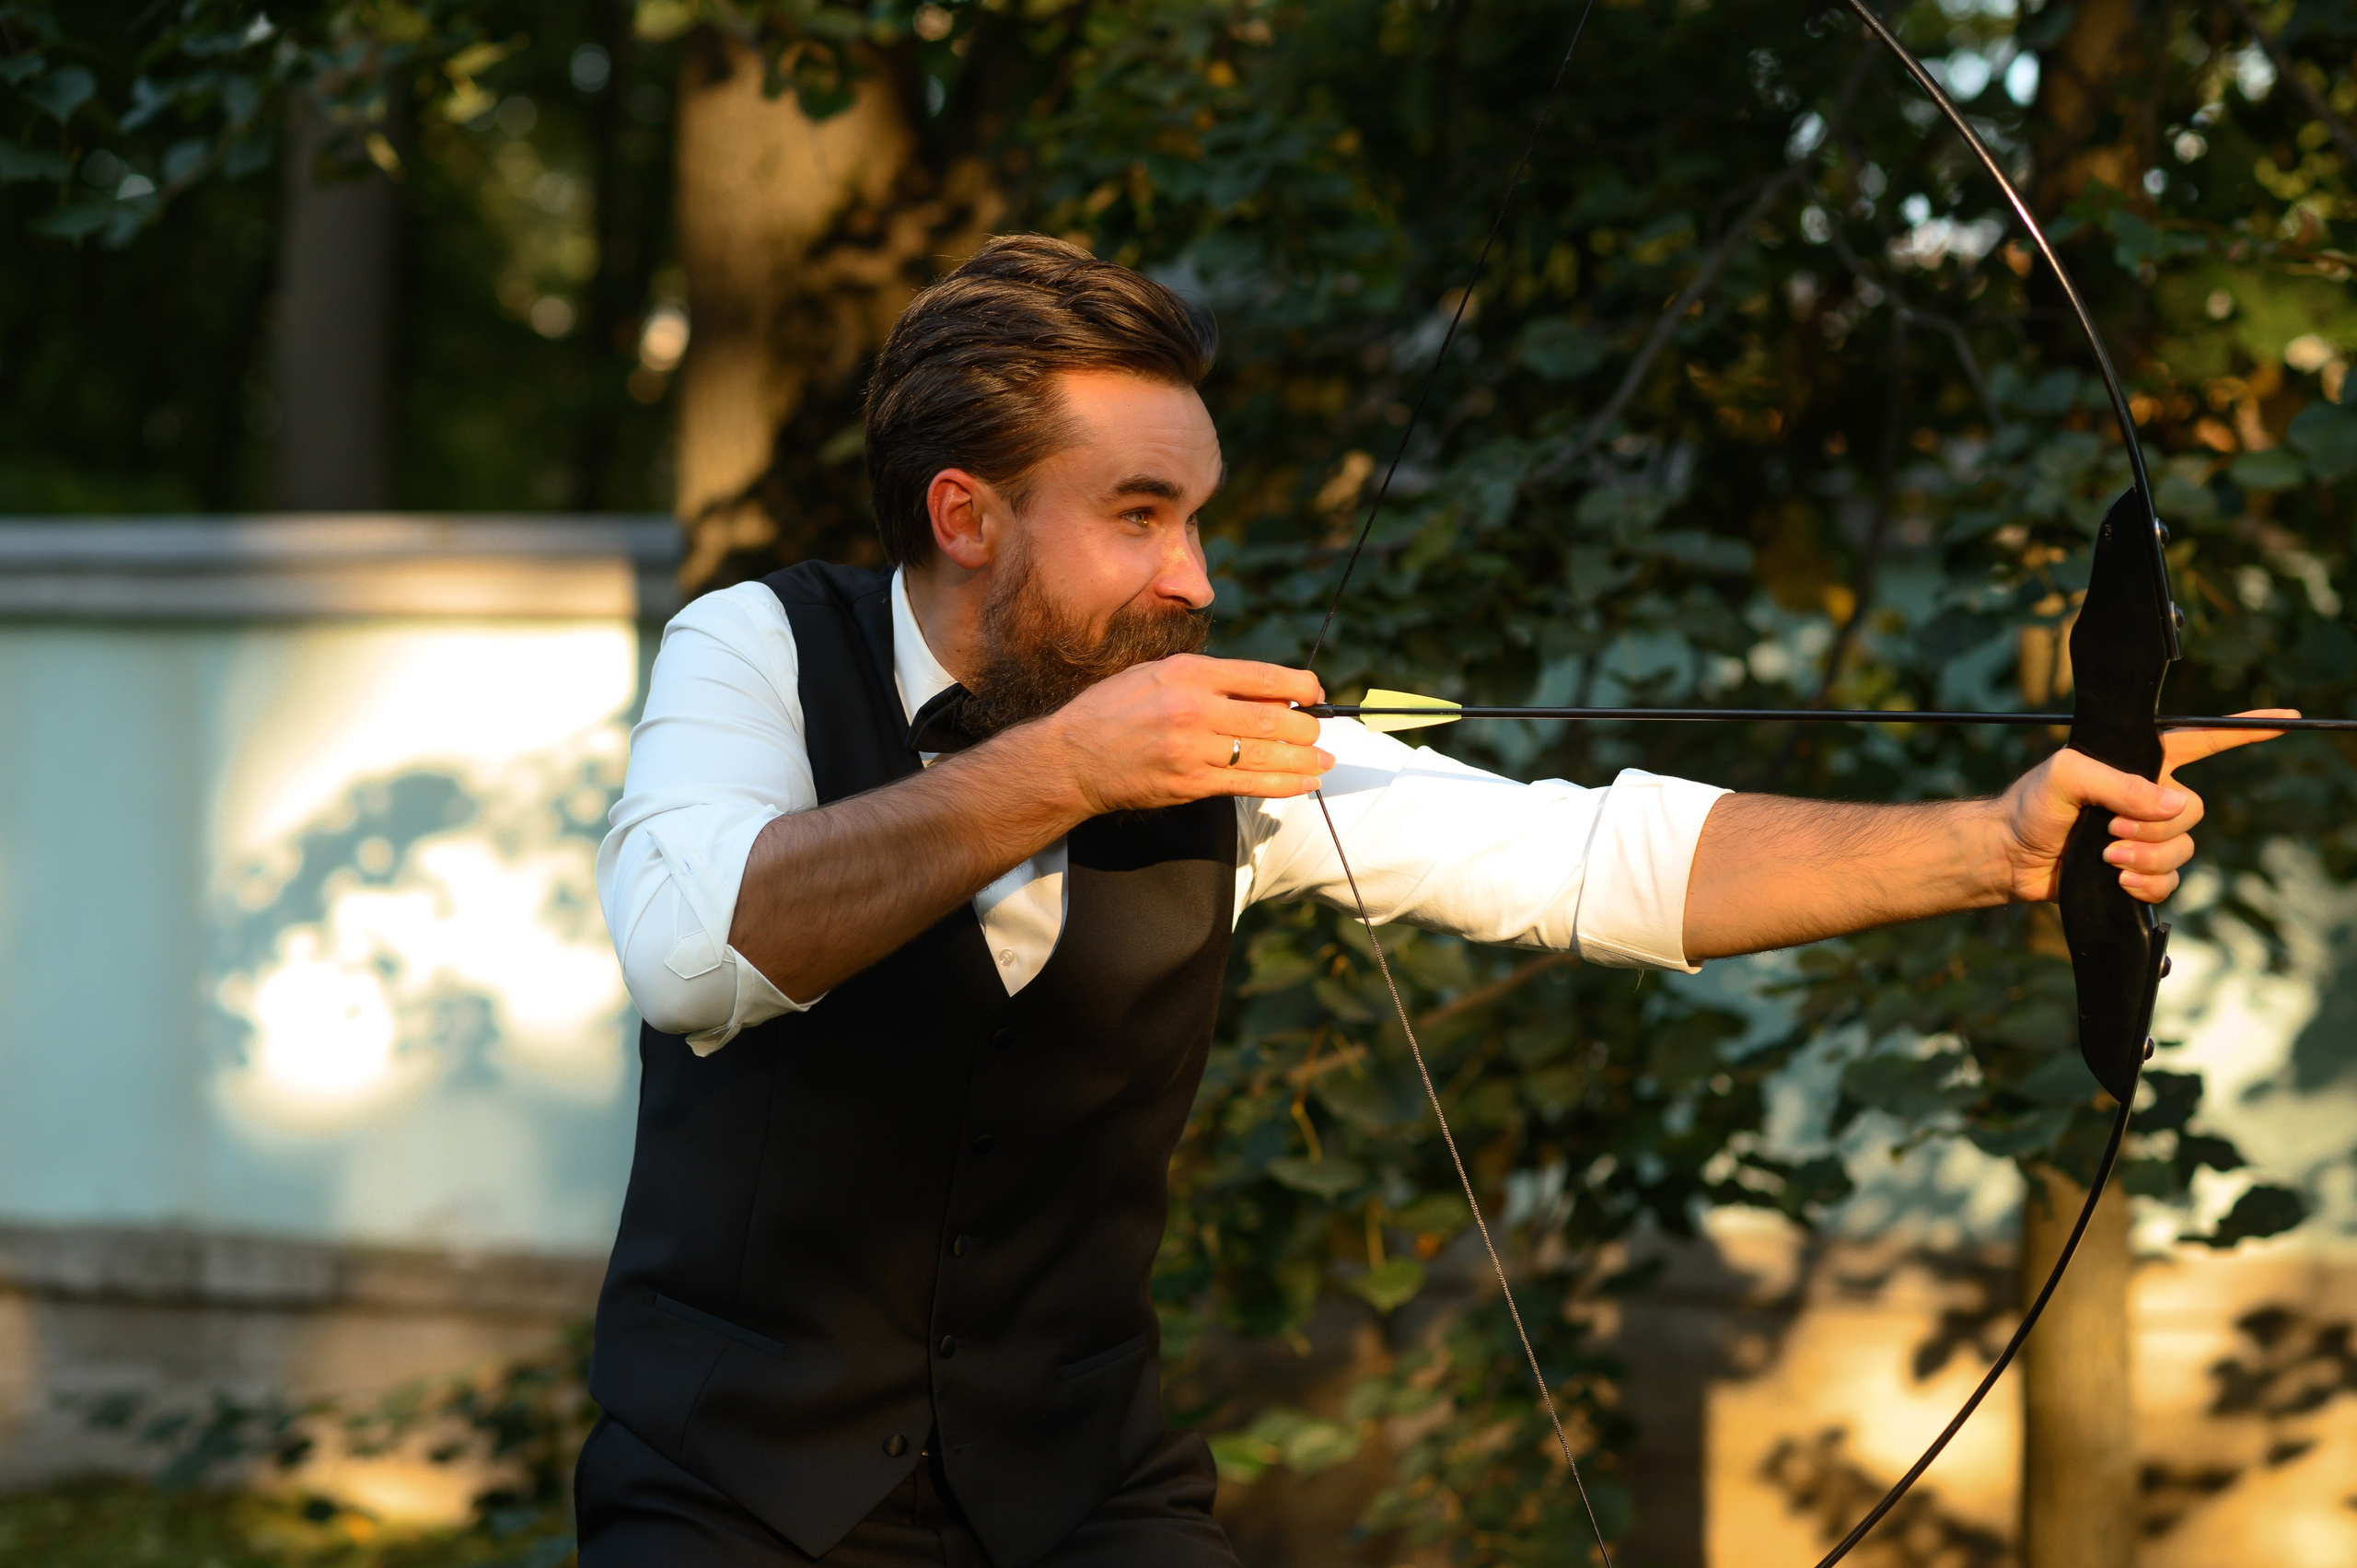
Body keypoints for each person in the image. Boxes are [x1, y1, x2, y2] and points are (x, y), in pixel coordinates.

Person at [581, 235, 2272, 1567]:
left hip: (1080, 1499)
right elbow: (688, 949)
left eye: (1199, 519)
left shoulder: (1212, 740)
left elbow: (1583, 856)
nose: (1198, 580)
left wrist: (1993, 842)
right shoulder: (756, 650)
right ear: (967, 517)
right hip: (736, 1501)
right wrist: (1069, 767)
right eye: (1140, 517)